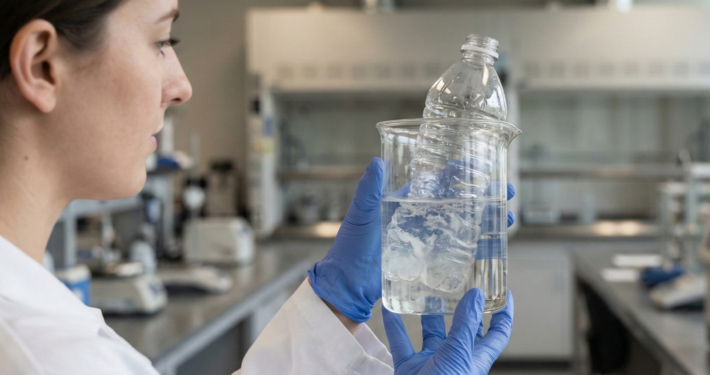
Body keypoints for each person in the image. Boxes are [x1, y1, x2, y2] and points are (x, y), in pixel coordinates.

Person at [0, 0, 515, 374]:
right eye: (161, 41)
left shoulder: (35, 318)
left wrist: (334, 307)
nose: (182, 86)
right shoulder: (39, 352)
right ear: (42, 66)